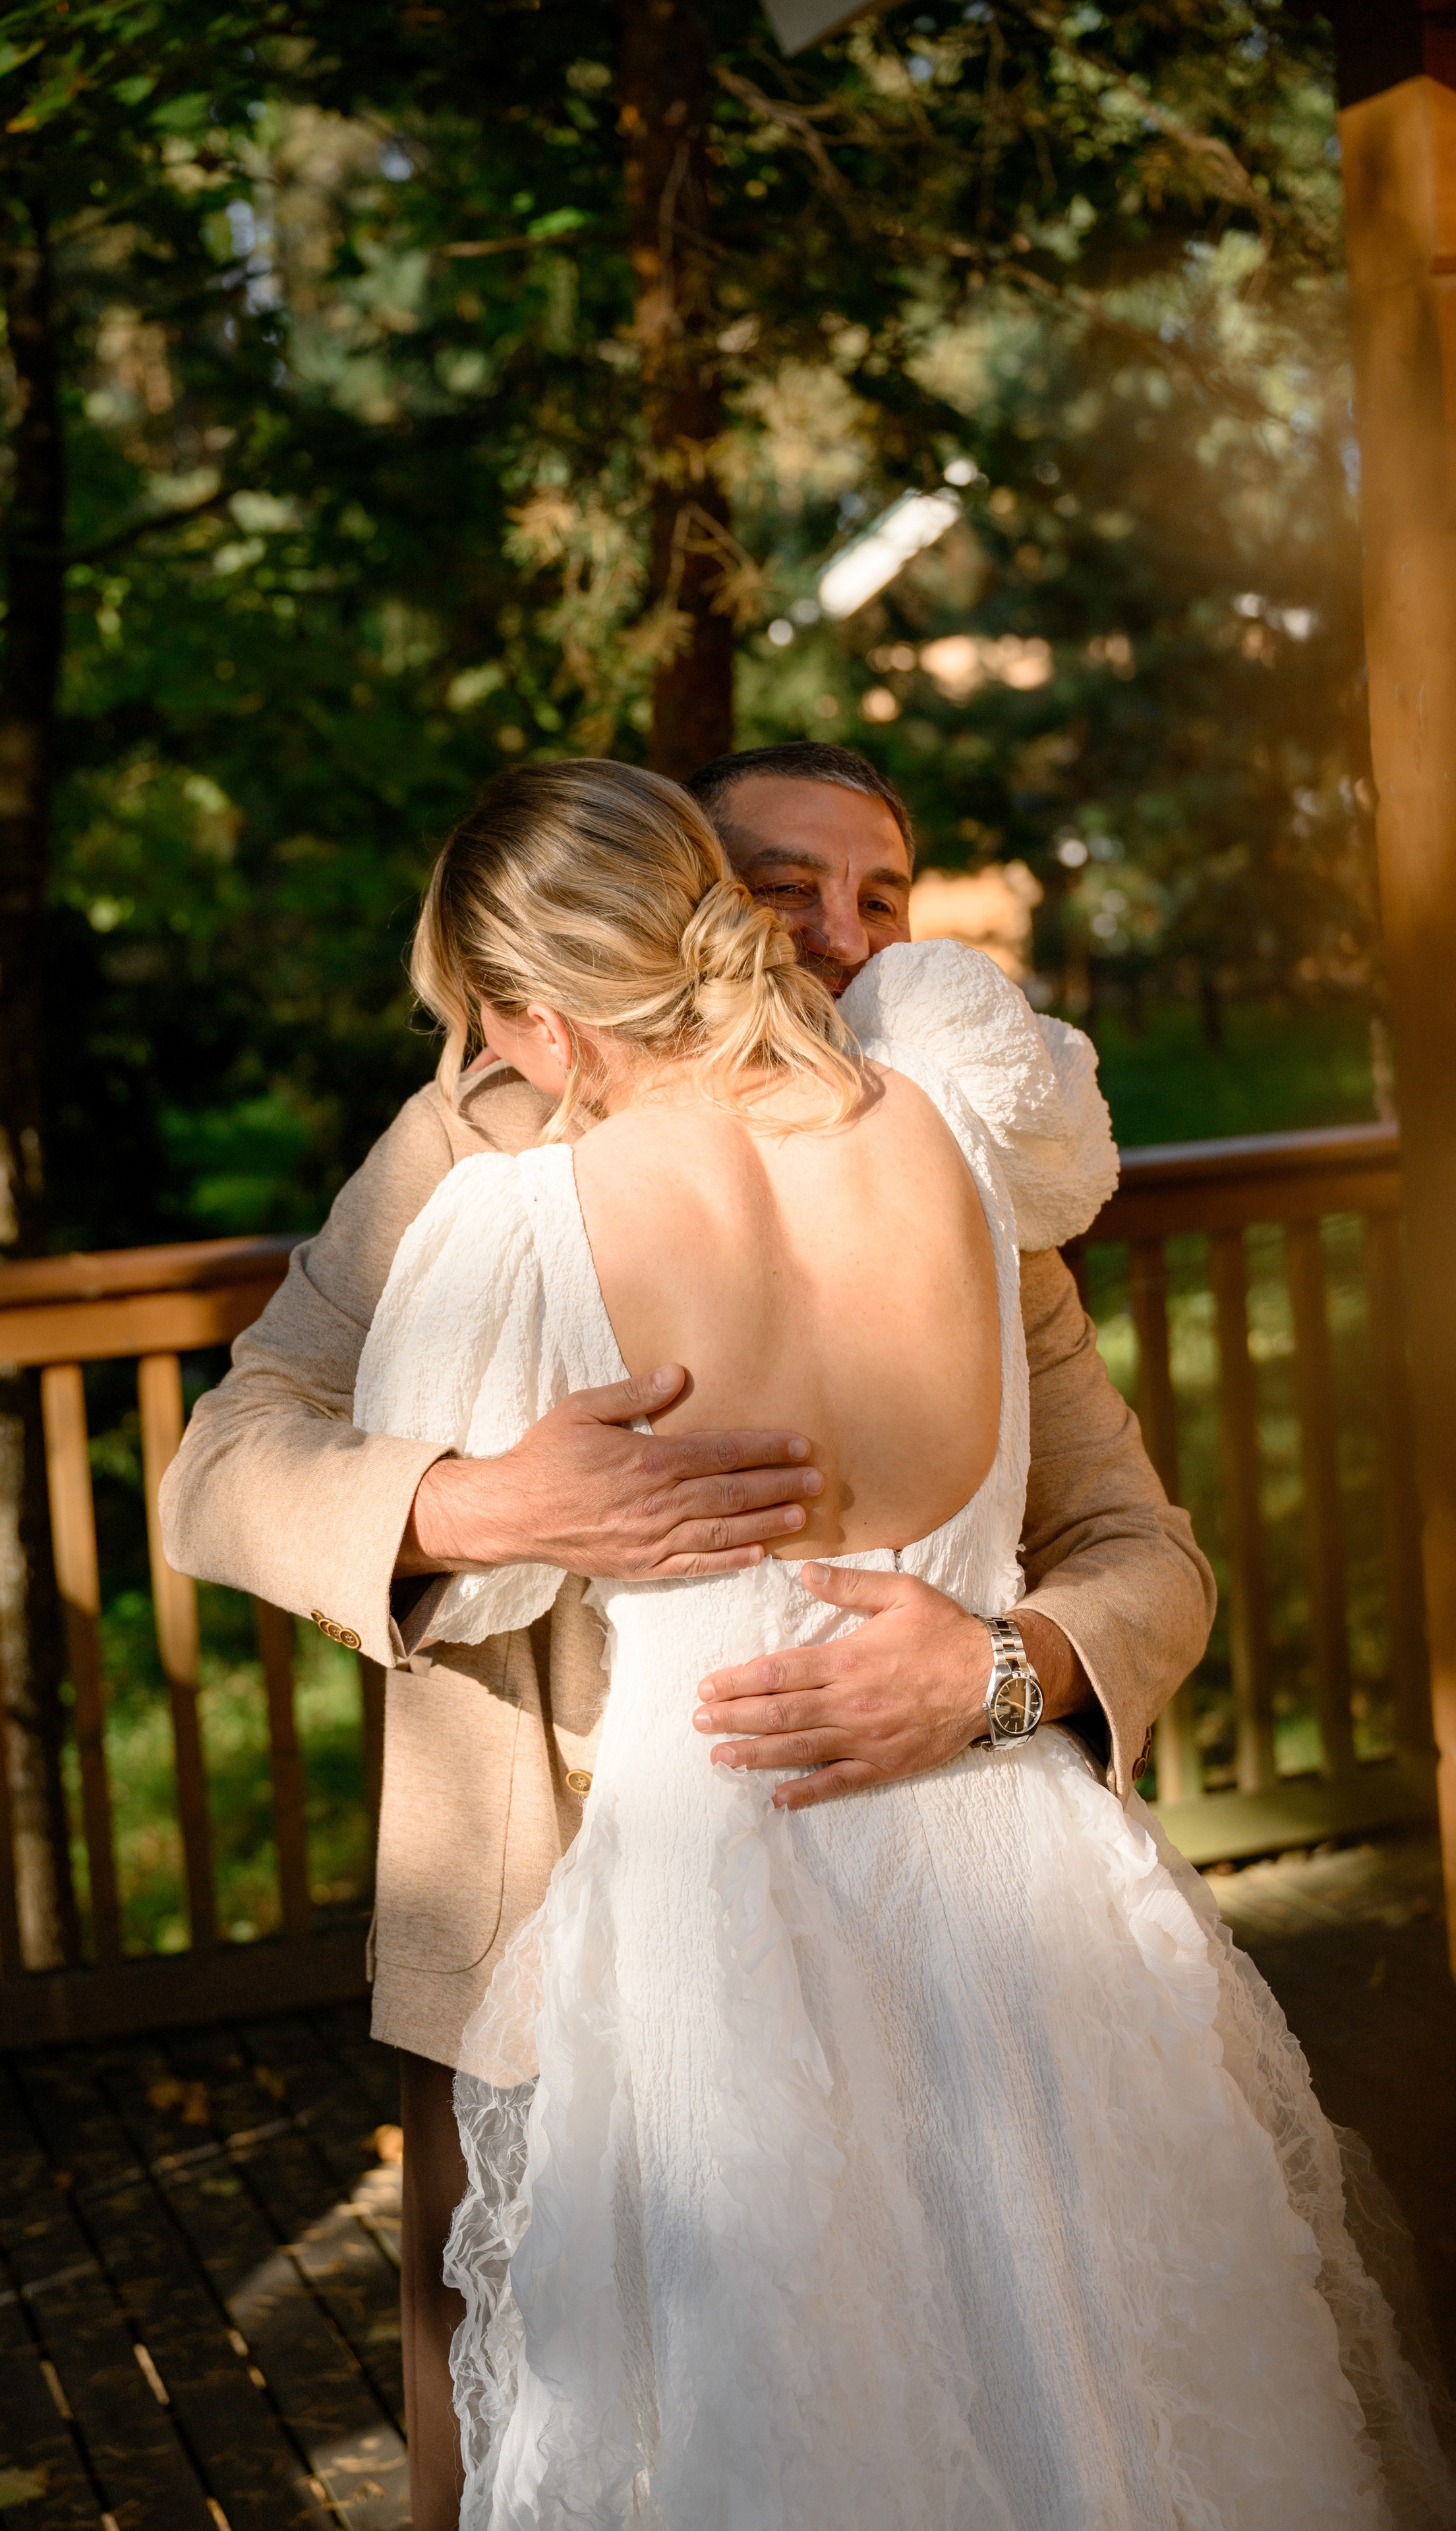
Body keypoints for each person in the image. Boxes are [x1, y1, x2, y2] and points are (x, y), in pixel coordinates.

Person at [352, 757, 1450, 2530]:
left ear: (531, 1018)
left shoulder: (520, 1221)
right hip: (1017, 1866)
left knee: (791, 2415)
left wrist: (541, 1501)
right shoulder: (959, 1142)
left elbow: (477, 1588)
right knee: (1105, 2367)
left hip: (722, 1881)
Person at [158, 743, 1217, 2526]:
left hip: (953, 1934)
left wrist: (999, 1667)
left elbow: (1142, 1547)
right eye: (787, 886)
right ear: (686, 898)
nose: (841, 934)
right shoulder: (473, 1143)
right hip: (541, 1943)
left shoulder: (953, 1161)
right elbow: (220, 1467)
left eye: (881, 898)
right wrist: (479, 1507)